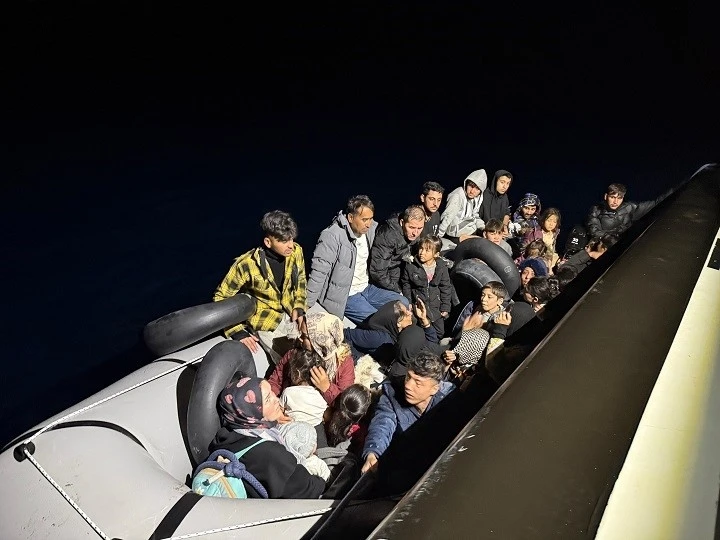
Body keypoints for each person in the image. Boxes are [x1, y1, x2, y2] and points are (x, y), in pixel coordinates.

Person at [208, 376, 325, 498]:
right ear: (251, 410)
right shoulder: (272, 454)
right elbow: (309, 488)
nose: (276, 399)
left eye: (272, 392)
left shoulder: (224, 437)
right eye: (268, 399)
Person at [213, 210, 306, 363]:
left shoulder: (296, 252)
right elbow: (220, 298)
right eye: (284, 241)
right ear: (268, 242)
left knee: (309, 351)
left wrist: (299, 306)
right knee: (289, 362)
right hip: (265, 321)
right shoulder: (246, 265)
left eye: (291, 238)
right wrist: (237, 331)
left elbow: (301, 280)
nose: (291, 245)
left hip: (290, 314)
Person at [306, 195, 407, 324]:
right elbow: (319, 272)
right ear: (350, 217)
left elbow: (390, 233)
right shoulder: (332, 236)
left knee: (403, 303)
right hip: (347, 295)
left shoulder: (372, 229)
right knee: (379, 321)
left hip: (367, 289)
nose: (369, 224)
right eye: (364, 219)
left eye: (371, 219)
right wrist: (307, 304)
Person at [361, 351, 454, 473]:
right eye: (408, 377)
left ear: (434, 389)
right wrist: (373, 453)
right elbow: (383, 424)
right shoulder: (392, 392)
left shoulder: (449, 399)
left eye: (418, 382)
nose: (408, 386)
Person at [268, 311, 355, 406]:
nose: (300, 338)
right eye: (301, 333)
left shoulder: (343, 362)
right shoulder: (295, 353)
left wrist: (327, 388)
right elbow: (276, 380)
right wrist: (271, 400)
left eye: (305, 336)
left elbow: (345, 404)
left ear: (321, 340)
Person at [400, 234, 453, 338]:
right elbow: (406, 284)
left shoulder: (441, 267)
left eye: (427, 250)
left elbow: (445, 287)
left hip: (436, 307)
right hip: (419, 306)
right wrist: (408, 302)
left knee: (440, 333)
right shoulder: (411, 266)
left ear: (436, 254)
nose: (422, 252)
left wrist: (445, 306)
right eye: (421, 248)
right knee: (421, 331)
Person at [369, 205, 427, 294]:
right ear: (402, 222)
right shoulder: (388, 236)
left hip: (401, 274)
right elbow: (378, 272)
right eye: (411, 227)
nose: (415, 233)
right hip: (384, 280)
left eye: (420, 228)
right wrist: (397, 289)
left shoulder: (413, 233)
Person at [586, 182, 669, 238]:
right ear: (606, 196)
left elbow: (655, 203)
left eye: (619, 198)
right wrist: (616, 234)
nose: (615, 202)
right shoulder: (596, 210)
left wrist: (674, 191)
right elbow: (594, 232)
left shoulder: (629, 208)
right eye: (612, 197)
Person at [278, 349, 328, 426]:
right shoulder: (322, 396)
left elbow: (280, 409)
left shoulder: (288, 392)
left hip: (291, 427)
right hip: (315, 429)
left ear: (297, 374)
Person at [437, 169, 488, 245]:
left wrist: (484, 228)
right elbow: (448, 217)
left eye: (477, 188)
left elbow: (475, 215)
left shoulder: (478, 198)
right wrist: (438, 237)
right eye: (471, 186)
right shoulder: (457, 196)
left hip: (469, 230)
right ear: (466, 184)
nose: (472, 191)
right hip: (454, 235)